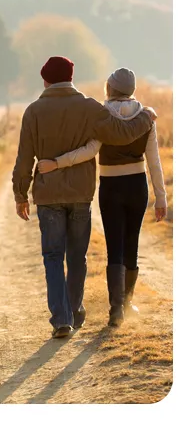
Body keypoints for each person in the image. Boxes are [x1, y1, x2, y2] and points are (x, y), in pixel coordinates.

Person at [12, 56, 157, 340]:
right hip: (81, 193)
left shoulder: (33, 111)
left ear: (45, 80)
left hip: (47, 194)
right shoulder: (89, 107)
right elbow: (122, 133)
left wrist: (20, 194)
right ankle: (75, 311)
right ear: (71, 77)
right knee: (77, 256)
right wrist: (146, 115)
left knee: (53, 256)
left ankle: (62, 319)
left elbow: (23, 157)